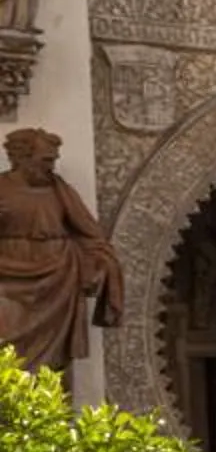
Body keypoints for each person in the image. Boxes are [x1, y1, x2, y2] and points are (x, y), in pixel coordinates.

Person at [0, 128, 124, 376]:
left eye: (54, 160)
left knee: (53, 365)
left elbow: (89, 233)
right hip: (9, 277)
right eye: (46, 159)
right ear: (22, 157)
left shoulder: (60, 190)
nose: (51, 166)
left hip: (58, 282)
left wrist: (100, 262)